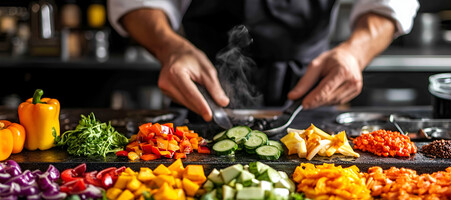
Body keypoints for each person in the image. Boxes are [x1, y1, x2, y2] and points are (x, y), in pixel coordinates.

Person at [108, 0, 419, 122]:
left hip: (312, 85)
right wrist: (170, 48)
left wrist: (355, 52)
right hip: (201, 85)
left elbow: (391, 3)